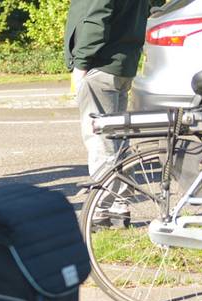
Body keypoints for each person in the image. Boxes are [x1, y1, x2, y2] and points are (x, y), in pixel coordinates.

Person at [65, 0, 150, 178]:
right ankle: (120, 197)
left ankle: (105, 201)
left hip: (101, 64)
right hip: (123, 63)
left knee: (102, 141)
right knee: (118, 138)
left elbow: (96, 20)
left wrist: (80, 65)